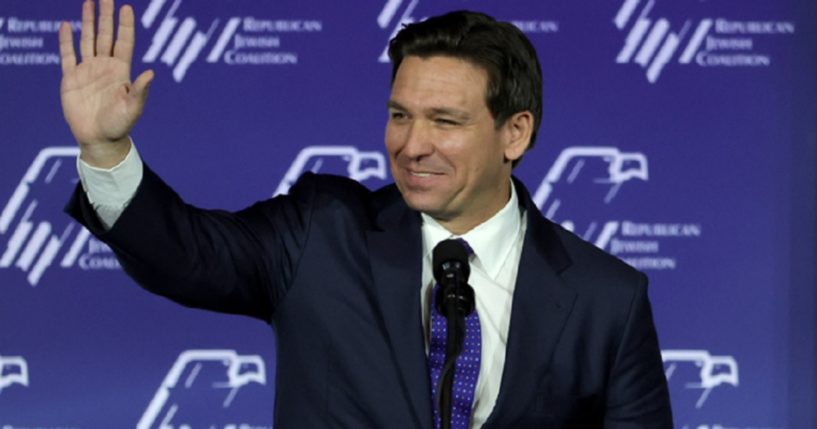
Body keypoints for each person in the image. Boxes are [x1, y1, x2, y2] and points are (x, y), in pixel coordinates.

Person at [60, 0, 673, 427]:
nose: (411, 145)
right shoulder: (321, 232)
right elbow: (186, 255)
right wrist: (106, 150)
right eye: (400, 115)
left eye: (445, 121)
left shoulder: (606, 298)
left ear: (514, 133)